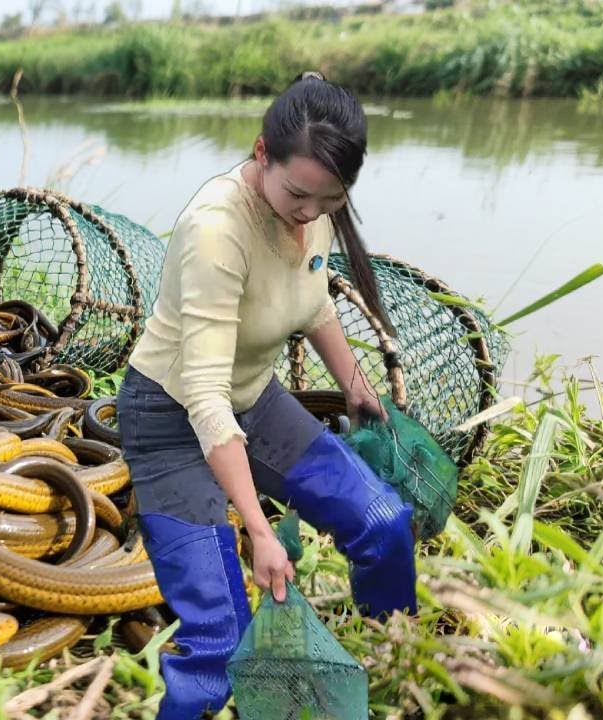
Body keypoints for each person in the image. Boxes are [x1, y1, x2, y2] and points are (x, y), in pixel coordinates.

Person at [116, 72, 418, 719]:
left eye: (330, 198)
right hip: (171, 420)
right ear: (261, 153)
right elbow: (202, 397)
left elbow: (313, 303)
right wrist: (258, 530)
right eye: (299, 193)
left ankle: (394, 659)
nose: (310, 211)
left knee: (383, 523)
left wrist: (356, 387)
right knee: (220, 641)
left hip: (252, 397)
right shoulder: (215, 230)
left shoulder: (315, 213)